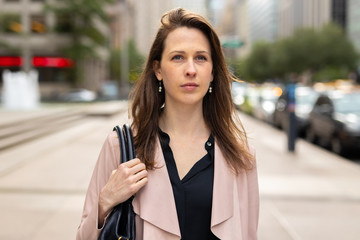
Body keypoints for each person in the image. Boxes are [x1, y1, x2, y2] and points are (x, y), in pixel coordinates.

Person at [76, 7, 259, 240]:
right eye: (178, 57)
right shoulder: (121, 146)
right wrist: (105, 203)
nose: (191, 70)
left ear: (212, 72)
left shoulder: (241, 158)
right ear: (158, 69)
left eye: (201, 58)